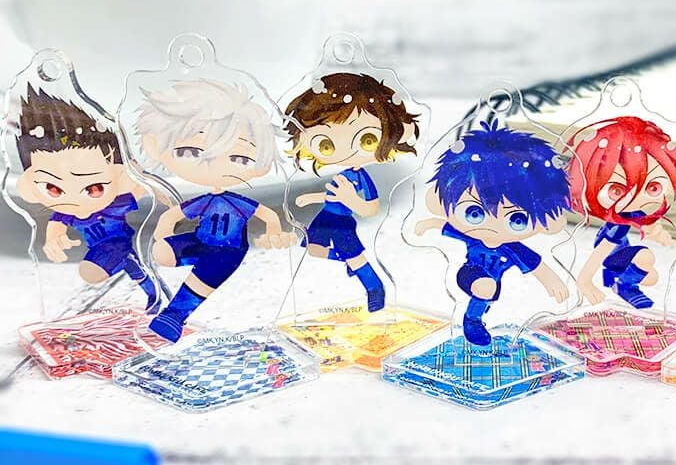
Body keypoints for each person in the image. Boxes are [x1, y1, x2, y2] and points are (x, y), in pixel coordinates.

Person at [135, 79, 294, 342]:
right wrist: (163, 235)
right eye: (190, 151)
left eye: (239, 158)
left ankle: (173, 318)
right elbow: (173, 215)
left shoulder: (238, 202)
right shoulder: (206, 201)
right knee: (164, 251)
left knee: (202, 279)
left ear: (261, 164)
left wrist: (274, 232)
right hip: (199, 241)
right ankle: (169, 295)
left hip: (228, 251)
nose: (213, 164)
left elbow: (267, 214)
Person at [416, 121, 571, 345]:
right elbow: (447, 227)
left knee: (487, 293)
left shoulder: (513, 248)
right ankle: (472, 321)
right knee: (484, 288)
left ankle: (480, 313)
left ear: (549, 222)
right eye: (474, 213)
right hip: (470, 273)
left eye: (517, 219)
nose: (491, 226)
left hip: (493, 285)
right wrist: (429, 223)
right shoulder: (472, 237)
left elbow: (537, 265)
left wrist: (552, 281)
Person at [284, 72, 419, 312]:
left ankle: (374, 287)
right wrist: (312, 198)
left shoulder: (361, 177)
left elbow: (371, 208)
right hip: (325, 218)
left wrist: (352, 200)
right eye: (326, 144)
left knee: (355, 256)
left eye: (367, 140)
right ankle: (350, 261)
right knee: (315, 251)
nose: (344, 152)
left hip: (343, 224)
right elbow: (333, 195)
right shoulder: (343, 174)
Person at [14, 87, 158, 310]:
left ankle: (139, 277)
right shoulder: (66, 213)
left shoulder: (116, 205)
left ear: (120, 174)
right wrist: (53, 240)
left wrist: (159, 190)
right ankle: (149, 290)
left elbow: (142, 188)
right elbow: (55, 227)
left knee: (92, 270)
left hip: (117, 244)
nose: (74, 200)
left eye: (94, 188)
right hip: (101, 249)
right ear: (29, 184)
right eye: (53, 188)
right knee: (134, 272)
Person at [567, 116, 676, 309]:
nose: (634, 197)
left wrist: (659, 234)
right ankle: (620, 282)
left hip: (620, 253)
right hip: (612, 256)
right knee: (645, 256)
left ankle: (622, 282)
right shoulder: (616, 225)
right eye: (616, 190)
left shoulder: (632, 213)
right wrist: (585, 281)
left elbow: (647, 222)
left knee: (652, 277)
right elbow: (601, 251)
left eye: (653, 187)